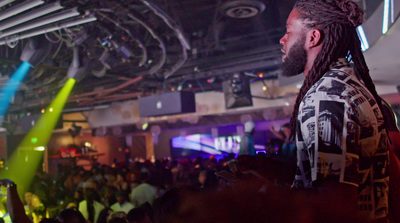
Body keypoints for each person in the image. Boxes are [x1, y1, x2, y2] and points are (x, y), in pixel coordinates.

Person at [279, 0, 389, 221]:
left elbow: (334, 201)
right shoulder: (348, 85)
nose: (282, 39)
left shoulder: (326, 97)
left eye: (289, 31)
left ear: (313, 37)